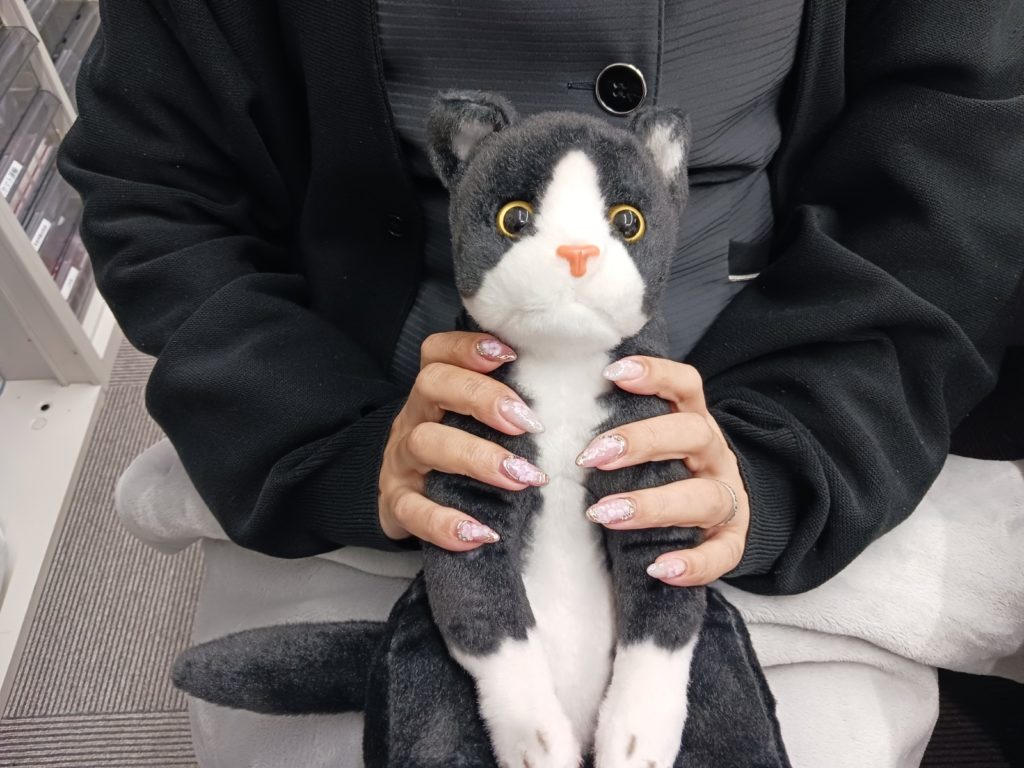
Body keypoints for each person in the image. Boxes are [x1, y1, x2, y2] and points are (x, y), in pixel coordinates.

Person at [57, 0, 1023, 763]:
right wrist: (330, 440)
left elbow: (954, 190)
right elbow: (158, 189)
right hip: (344, 416)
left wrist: (790, 454)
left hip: (800, 398)